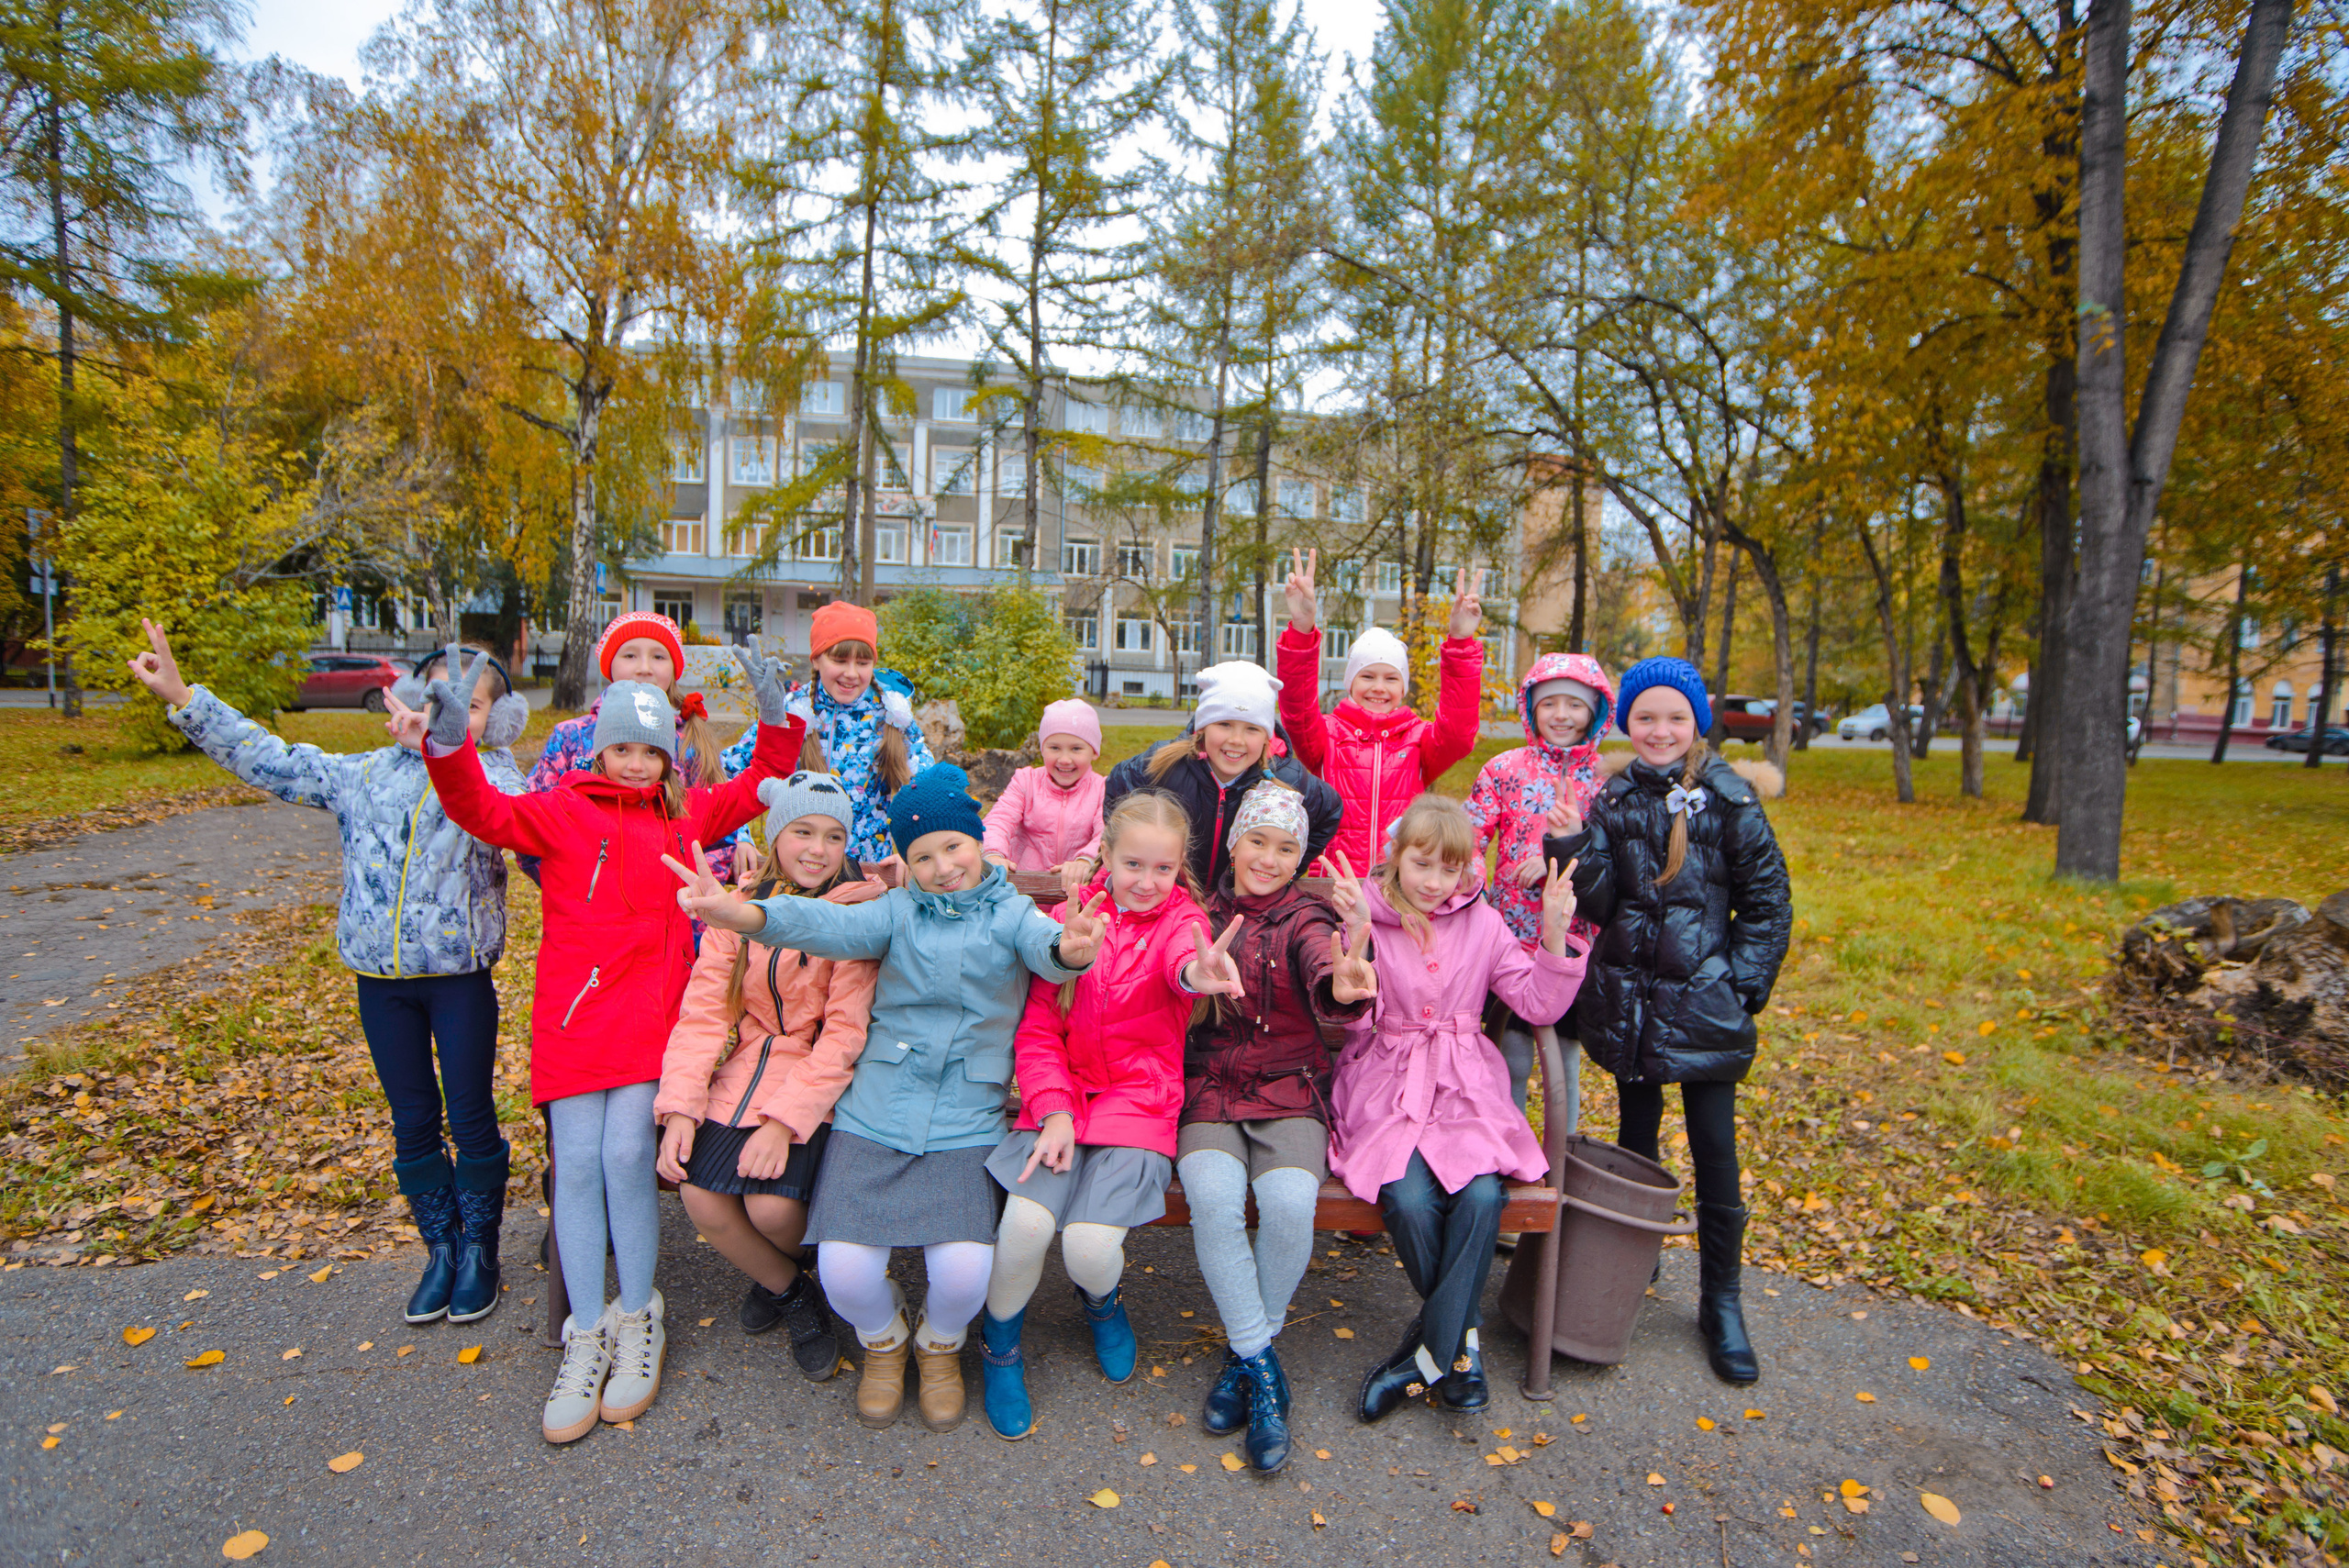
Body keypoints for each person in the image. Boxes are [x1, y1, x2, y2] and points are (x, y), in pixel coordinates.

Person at [407, 651, 804, 1444]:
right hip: (573, 1018)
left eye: (650, 750)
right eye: (622, 747)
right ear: (600, 750)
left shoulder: (681, 818)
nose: (634, 762)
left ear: (667, 759)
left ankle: (638, 1314)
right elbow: (480, 808)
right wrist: (448, 745)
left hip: (651, 1021)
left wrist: (776, 712)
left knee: (628, 1154)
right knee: (578, 1163)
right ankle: (585, 1330)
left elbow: (763, 773)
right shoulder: (559, 812)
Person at [665, 764, 1108, 1434]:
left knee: (964, 1272)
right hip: (877, 1105)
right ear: (906, 862)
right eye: (922, 855)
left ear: (978, 842)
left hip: (965, 1109)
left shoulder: (1011, 908)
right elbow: (823, 924)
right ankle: (884, 1336)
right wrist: (741, 914)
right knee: (844, 1272)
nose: (942, 866)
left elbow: (1045, 950)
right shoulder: (895, 910)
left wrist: (1069, 949)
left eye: (953, 847)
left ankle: (938, 1344)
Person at [128, 626, 530, 1329]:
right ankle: (441, 1247)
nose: (451, 712)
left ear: (490, 720)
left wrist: (449, 753)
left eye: (470, 706)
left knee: (470, 1117)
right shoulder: (364, 774)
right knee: (412, 1120)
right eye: (440, 698)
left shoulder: (495, 773)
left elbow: (512, 826)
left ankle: (481, 1253)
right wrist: (185, 698)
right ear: (409, 697)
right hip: (380, 982)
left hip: (459, 978)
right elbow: (272, 760)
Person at [1545, 656, 1791, 1386]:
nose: (1659, 730)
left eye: (1674, 718)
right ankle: (1633, 1257)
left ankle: (1722, 1300)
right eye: (1645, 717)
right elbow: (1598, 902)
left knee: (1715, 1148)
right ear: (1628, 723)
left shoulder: (1729, 798)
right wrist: (1569, 845)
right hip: (1632, 1005)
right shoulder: (1614, 797)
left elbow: (1768, 902)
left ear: (1696, 723)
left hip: (1705, 1007)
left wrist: (1740, 986)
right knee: (1636, 1136)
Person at [975, 791, 1244, 1442]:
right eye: (1132, 864)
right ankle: (1000, 1346)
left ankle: (1102, 1301)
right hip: (1062, 1098)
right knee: (1025, 1227)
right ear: (1107, 857)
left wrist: (1195, 975)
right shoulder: (1072, 918)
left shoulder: (1186, 922)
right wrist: (1055, 1110)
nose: (1146, 881)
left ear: (1180, 869)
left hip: (1138, 1103)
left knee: (1090, 1248)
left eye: (1162, 868)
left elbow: (1183, 965)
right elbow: (1037, 1030)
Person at [1330, 795, 1586, 1424]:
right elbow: (1347, 1015)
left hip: (1465, 1091)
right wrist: (1357, 941)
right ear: (1396, 857)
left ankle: (1426, 1358)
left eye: (1449, 869)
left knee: (1479, 1197)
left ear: (1466, 870)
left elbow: (1536, 1002)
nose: (1434, 882)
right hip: (1387, 1084)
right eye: (1422, 864)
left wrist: (1553, 935)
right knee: (1410, 1199)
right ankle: (1459, 1349)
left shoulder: (1483, 922)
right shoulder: (1368, 913)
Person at [1176, 779, 1378, 1472]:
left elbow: (1324, 964)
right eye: (1256, 840)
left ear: (1300, 857)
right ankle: (1263, 1368)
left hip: (1291, 1088)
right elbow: (1171, 968)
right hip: (1209, 1086)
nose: (1267, 857)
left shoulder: (1307, 917)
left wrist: (1341, 984)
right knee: (1212, 1196)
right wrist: (1189, 972)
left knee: (1292, 1202)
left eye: (1285, 846)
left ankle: (1243, 1356)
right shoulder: (1200, 912)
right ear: (1234, 844)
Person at [656, 773, 883, 1383]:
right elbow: (705, 1011)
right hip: (746, 1069)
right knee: (700, 1194)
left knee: (770, 1207)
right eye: (803, 831)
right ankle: (792, 1289)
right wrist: (681, 1104)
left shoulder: (856, 912)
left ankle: (771, 1264)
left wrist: (783, 1123)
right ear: (775, 833)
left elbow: (843, 1036)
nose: (817, 848)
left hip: (813, 1082)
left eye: (834, 836)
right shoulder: (741, 902)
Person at [1464, 652, 1618, 1111]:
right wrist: (1478, 898)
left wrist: (1556, 854)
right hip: (1507, 938)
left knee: (1563, 1060)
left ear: (1595, 711)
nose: (1561, 715)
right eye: (1549, 704)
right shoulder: (1503, 769)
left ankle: (1561, 1158)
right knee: (1509, 1055)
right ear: (1531, 708)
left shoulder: (1609, 779)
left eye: (1575, 704)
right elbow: (1469, 840)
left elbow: (1617, 857)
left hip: (1574, 938)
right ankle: (1510, 1147)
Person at [1275, 550, 1486, 873]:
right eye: (1367, 676)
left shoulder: (1418, 740)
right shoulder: (1328, 735)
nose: (1378, 688)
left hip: (1398, 883)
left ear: (1403, 689)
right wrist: (1303, 630)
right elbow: (1297, 710)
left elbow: (1458, 732)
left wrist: (1460, 642)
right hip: (1333, 881)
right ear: (1351, 683)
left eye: (1390, 678)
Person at [722, 601, 935, 882]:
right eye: (839, 660)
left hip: (868, 880)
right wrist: (739, 838)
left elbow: (928, 792)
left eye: (862, 663)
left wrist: (917, 850)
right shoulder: (790, 714)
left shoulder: (893, 716)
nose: (851, 673)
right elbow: (729, 770)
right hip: (798, 876)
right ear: (816, 659)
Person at [526, 610, 739, 881]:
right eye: (630, 655)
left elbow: (718, 828)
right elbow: (535, 817)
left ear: (674, 669)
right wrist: (567, 885)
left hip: (670, 911)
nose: (644, 667)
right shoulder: (571, 737)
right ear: (609, 665)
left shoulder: (688, 742)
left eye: (658, 657)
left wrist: (689, 896)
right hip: (589, 910)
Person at [1102, 661, 1341, 894]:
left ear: (1266, 737)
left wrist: (1285, 870)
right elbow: (1118, 787)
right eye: (1224, 724)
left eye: (1252, 729)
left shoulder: (1287, 779)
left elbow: (1329, 810)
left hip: (1240, 906)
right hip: (1169, 904)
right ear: (1203, 727)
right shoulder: (1163, 765)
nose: (1236, 740)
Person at [982, 697, 1106, 897]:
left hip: (1077, 893)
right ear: (1042, 749)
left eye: (1076, 749)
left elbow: (1108, 833)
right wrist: (994, 853)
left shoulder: (1102, 788)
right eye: (1054, 748)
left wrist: (1086, 860)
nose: (1064, 759)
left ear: (1094, 752)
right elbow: (999, 820)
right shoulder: (1026, 781)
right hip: (1022, 890)